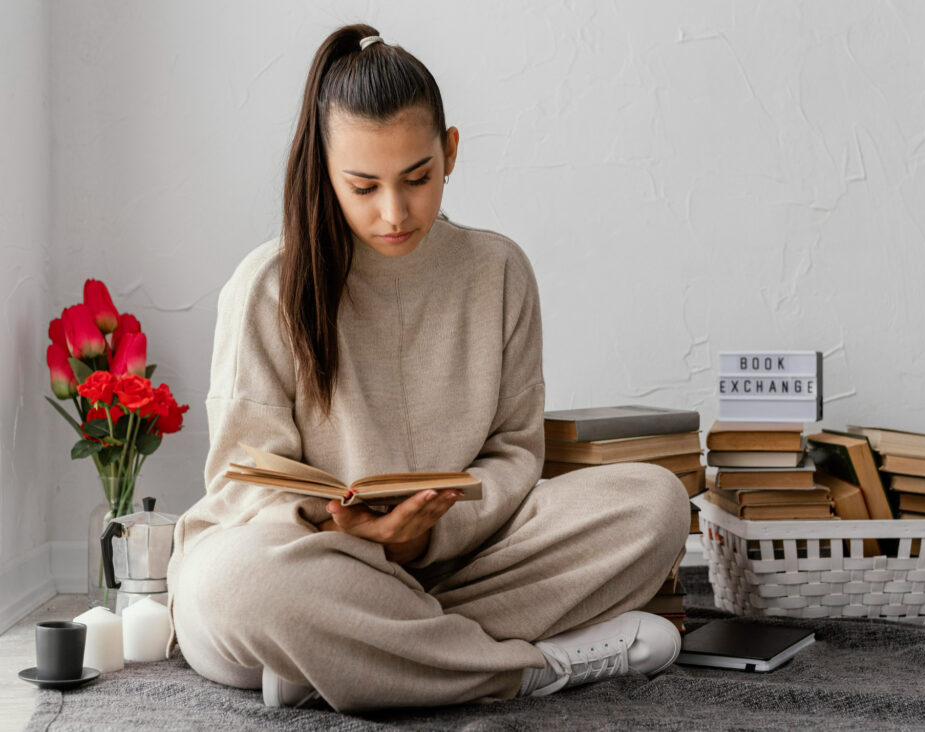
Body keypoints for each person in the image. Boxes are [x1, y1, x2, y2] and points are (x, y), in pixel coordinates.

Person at [166, 24, 689, 712]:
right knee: (236, 586)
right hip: (311, 566)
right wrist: (343, 530)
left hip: (456, 566)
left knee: (655, 505)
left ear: (450, 152)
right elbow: (243, 483)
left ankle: (351, 658)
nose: (393, 212)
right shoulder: (267, 284)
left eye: (417, 178)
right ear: (325, 170)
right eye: (363, 186)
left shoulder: (498, 270)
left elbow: (513, 453)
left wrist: (423, 540)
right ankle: (532, 668)